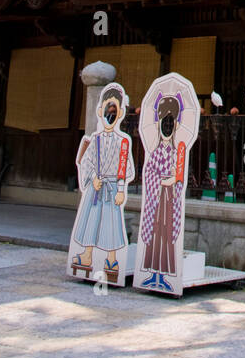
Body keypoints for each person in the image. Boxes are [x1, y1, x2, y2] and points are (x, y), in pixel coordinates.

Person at [69, 83, 133, 283]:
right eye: (107, 109)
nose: (110, 114)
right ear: (100, 110)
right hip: (96, 186)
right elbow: (87, 161)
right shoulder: (94, 138)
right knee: (91, 220)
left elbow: (124, 166)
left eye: (114, 109)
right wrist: (93, 177)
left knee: (111, 223)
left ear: (121, 112)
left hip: (112, 186)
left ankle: (111, 260)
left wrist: (121, 189)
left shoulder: (122, 141)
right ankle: (87, 255)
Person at [139, 94, 186, 292]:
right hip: (157, 197)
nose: (167, 127)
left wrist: (174, 179)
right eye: (164, 122)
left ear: (176, 125)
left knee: (166, 236)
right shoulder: (156, 151)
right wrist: (160, 181)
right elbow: (149, 171)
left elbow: (181, 174)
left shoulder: (178, 151)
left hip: (169, 198)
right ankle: (153, 273)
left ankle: (164, 275)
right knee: (155, 234)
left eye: (171, 122)